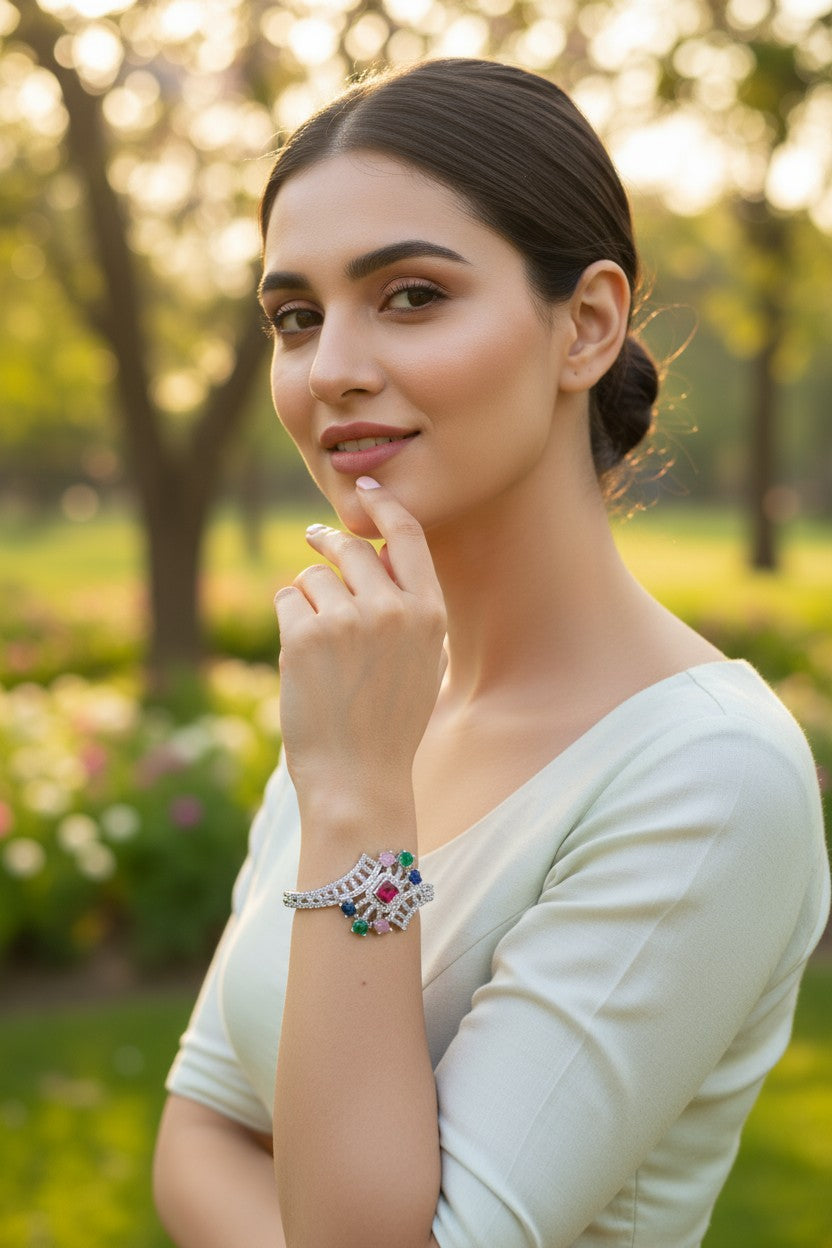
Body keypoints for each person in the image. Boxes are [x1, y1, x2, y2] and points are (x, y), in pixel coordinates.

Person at [153, 58, 829, 1248]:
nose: (333, 368)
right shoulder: (371, 688)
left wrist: (361, 800)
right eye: (295, 317)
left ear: (586, 324)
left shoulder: (707, 777)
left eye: (410, 295)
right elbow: (198, 1130)